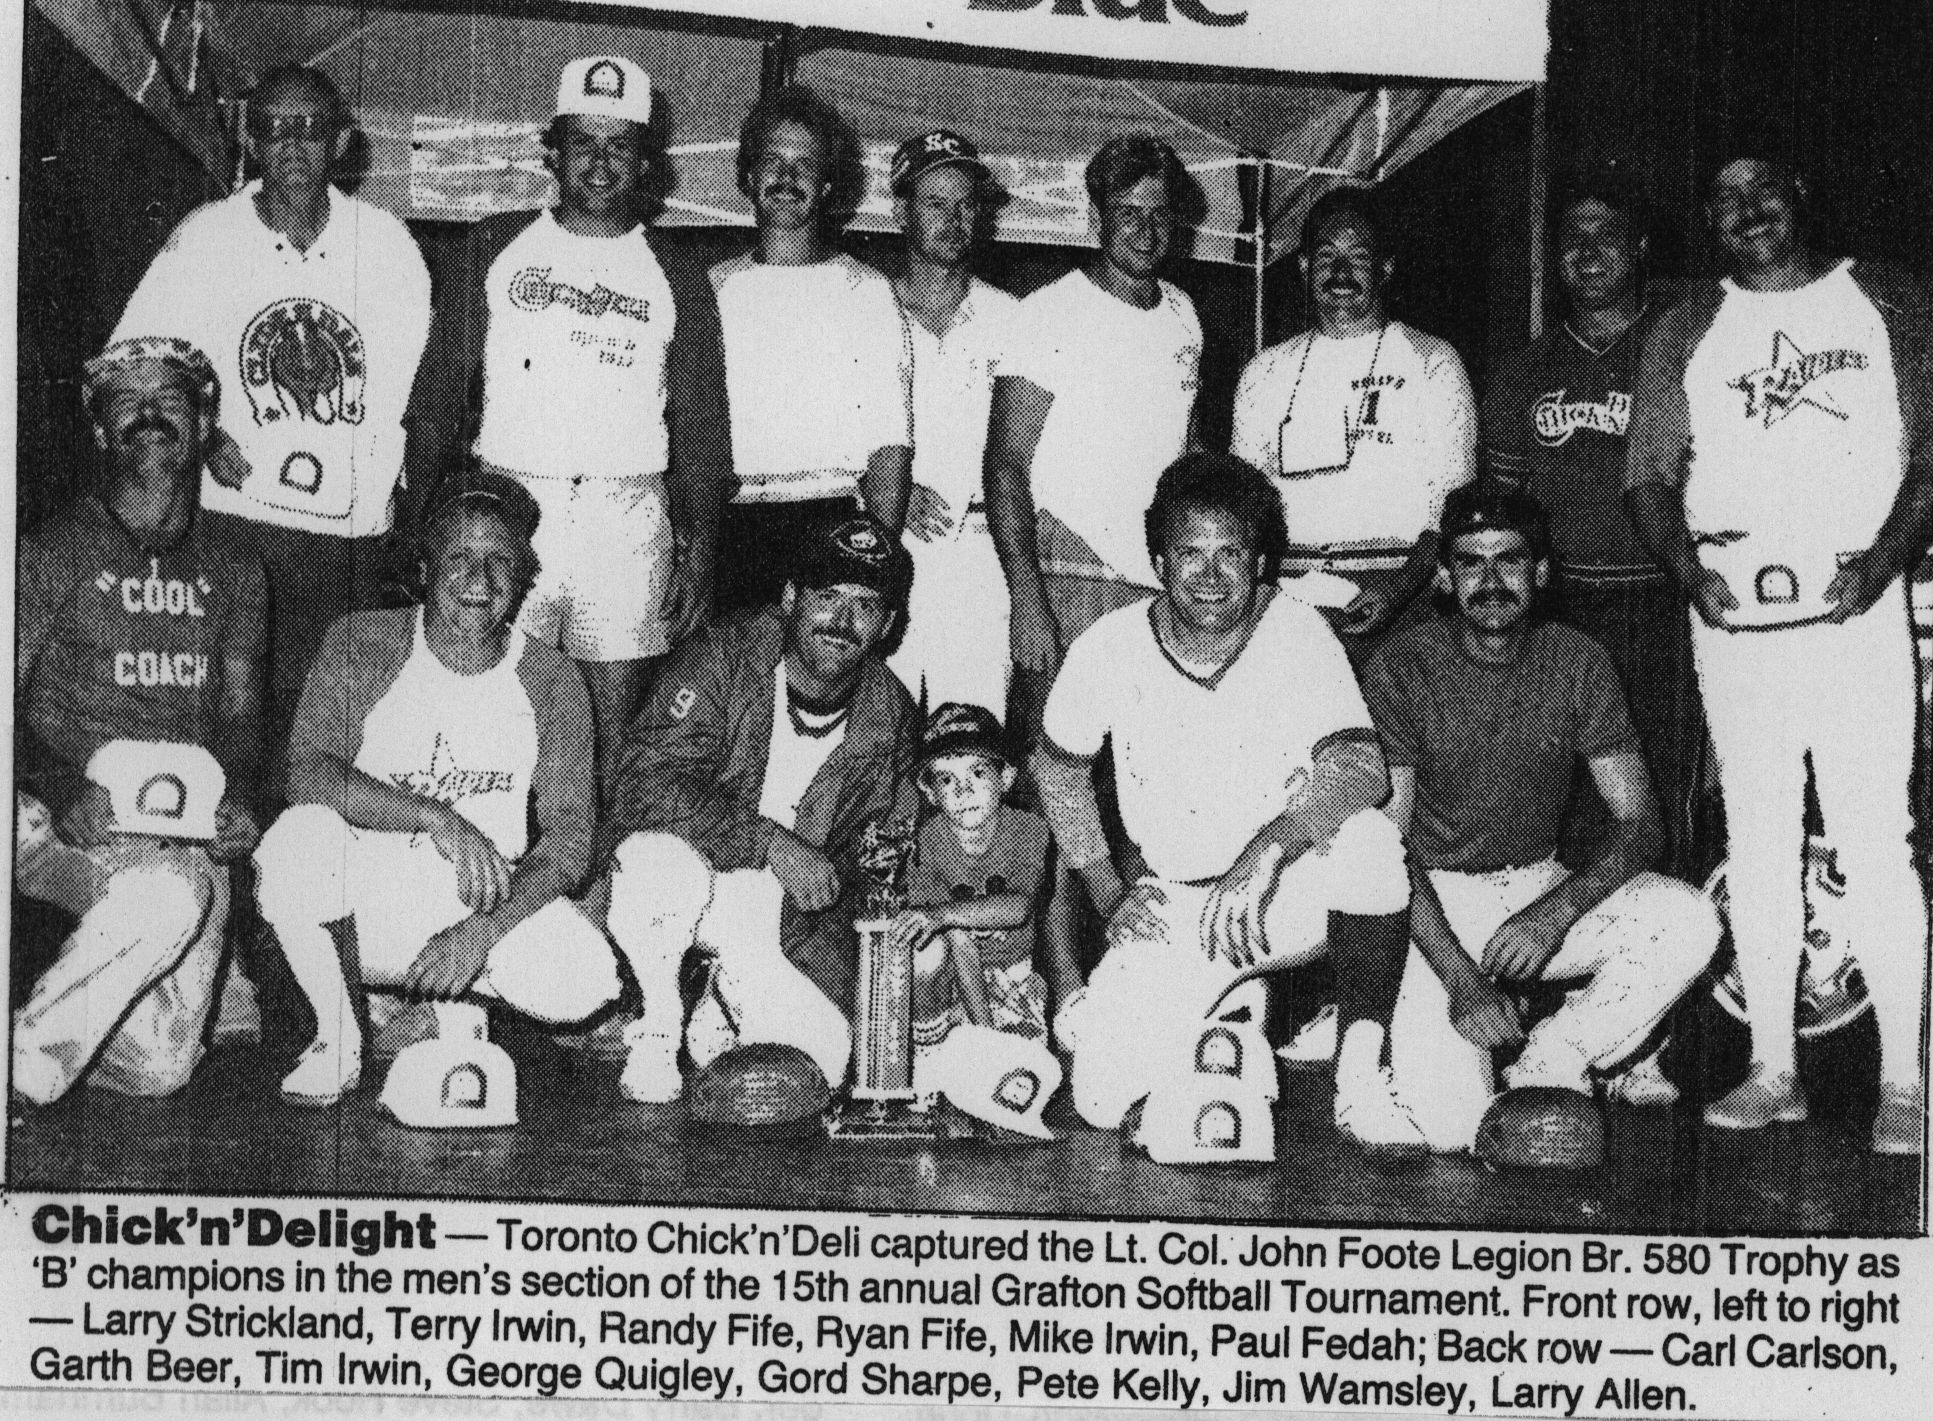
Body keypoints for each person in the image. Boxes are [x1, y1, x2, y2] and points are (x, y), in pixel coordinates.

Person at [1627, 155, 1933, 1153]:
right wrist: (1686, 569)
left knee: (1872, 838)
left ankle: (1901, 1078)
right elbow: (1646, 478)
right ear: (1707, 219)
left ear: (1801, 196)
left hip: (1856, 608)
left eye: (1766, 191)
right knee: (1756, 837)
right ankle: (1774, 1067)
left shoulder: (1882, 295)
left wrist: (1886, 559)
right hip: (1739, 621)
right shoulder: (1686, 324)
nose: (1748, 211)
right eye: (1723, 197)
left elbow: (1930, 454)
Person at [1034, 452, 1425, 1154]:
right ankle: (1229, 1018)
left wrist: (1270, 844)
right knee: (1099, 1101)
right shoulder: (1108, 645)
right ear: (1157, 560)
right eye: (1190, 554)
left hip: (1281, 890)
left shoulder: (1298, 628)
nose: (1210, 576)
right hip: (1177, 904)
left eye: (1230, 553)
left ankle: (1360, 1077)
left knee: (1370, 843)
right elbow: (1057, 771)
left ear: (1259, 560)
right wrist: (1104, 889)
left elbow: (1360, 766)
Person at [404, 57, 733, 802]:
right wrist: (418, 522)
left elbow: (703, 435)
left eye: (620, 145)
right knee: (495, 713)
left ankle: (591, 902)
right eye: (582, 141)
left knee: (611, 734)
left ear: (646, 161)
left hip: (625, 517)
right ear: (551, 149)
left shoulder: (676, 271)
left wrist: (700, 550)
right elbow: (436, 400)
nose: (600, 160)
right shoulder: (495, 243)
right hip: (511, 507)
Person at [1363, 487, 1721, 1154]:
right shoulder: (1403, 665)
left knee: (1689, 918)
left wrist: (1554, 911)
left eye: (1509, 561)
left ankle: (1552, 1058)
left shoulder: (1576, 658)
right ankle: (1383, 1027)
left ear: (1541, 573)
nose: (1490, 581)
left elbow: (1642, 823)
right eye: (1470, 563)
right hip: (1431, 906)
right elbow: (1386, 850)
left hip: (1534, 886)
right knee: (1448, 1129)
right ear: (1442, 575)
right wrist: (1462, 979)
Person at [252, 472, 628, 1105]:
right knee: (296, 841)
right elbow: (305, 775)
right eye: (460, 558)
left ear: (523, 579)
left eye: (499, 562)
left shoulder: (550, 673)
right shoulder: (362, 642)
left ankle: (446, 1014)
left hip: (479, 906)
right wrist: (433, 816)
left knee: (586, 980)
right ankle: (338, 1032)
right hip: (363, 900)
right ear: (426, 567)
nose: (479, 581)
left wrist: (483, 934)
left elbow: (572, 840)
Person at [112, 66, 430, 757]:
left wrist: (388, 502)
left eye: (310, 128)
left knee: (324, 722)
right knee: (227, 706)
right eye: (274, 128)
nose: (292, 144)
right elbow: (131, 361)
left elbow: (409, 394)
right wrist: (200, 431)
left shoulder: (389, 247)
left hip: (345, 537)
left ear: (342, 141)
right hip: (234, 520)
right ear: (251, 141)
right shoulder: (205, 235)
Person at [14, 339, 265, 1104]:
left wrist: (244, 802)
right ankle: (25, 1067)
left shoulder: (236, 567)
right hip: (44, 811)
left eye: (170, 397)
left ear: (203, 421)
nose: (149, 412)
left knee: (159, 1066)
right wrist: (58, 785)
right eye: (126, 400)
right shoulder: (44, 553)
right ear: (99, 430)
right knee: (163, 901)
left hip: (166, 840)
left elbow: (241, 721)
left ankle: (74, 1001)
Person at [602, 515, 921, 1102]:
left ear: (888, 625)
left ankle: (719, 995)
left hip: (774, 917)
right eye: (826, 596)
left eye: (866, 605)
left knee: (820, 1062)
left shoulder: (890, 710)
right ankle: (656, 1024)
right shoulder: (724, 658)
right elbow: (641, 786)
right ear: (790, 598)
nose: (843, 621)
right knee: (656, 863)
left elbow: (875, 857)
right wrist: (769, 842)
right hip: (690, 878)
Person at [1483, 174, 1704, 875]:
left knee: (1662, 797)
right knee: (1564, 799)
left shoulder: (1682, 350)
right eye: (1570, 237)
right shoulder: (1523, 370)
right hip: (1562, 608)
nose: (1586, 249)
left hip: (1661, 603)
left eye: (1604, 233)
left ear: (1638, 247)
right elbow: (1500, 510)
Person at [987, 133, 1203, 733]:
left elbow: (1181, 450)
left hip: (1155, 582)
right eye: (1127, 213)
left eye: (1159, 213)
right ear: (1096, 218)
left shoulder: (1184, 313)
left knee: (1139, 781)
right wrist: (1029, 603)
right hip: (1069, 576)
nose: (1145, 228)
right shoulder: (1049, 313)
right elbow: (1005, 464)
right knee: (1054, 776)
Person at [1231, 185, 1474, 661]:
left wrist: (1398, 589)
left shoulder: (1433, 362)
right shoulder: (1264, 372)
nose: (1340, 273)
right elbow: (1244, 506)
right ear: (1303, 267)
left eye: (1358, 257)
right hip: (1290, 601)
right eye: (1326, 257)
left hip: (1398, 599)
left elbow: (1453, 506)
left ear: (1385, 268)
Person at [712, 87, 912, 610]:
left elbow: (889, 446)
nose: (786, 177)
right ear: (749, 177)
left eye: (804, 165)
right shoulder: (711, 288)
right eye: (772, 161)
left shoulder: (865, 290)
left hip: (830, 518)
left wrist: (877, 566)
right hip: (731, 524)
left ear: (826, 186)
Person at [886, 131, 1022, 713]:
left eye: (967, 203)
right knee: (878, 740)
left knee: (972, 738)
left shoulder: (1012, 316)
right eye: (935, 202)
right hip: (890, 545)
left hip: (980, 555)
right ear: (901, 210)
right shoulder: (866, 306)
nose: (954, 218)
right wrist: (888, 490)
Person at [892, 703, 1074, 1056]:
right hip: (951, 984)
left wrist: (942, 915)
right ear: (929, 792)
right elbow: (954, 940)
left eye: (977, 773)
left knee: (1022, 1079)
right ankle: (929, 1050)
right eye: (946, 779)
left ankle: (985, 1057)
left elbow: (1019, 907)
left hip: (1012, 976)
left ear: (1005, 777)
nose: (963, 791)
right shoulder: (927, 841)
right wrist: (986, 1038)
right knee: (927, 949)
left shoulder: (1028, 830)